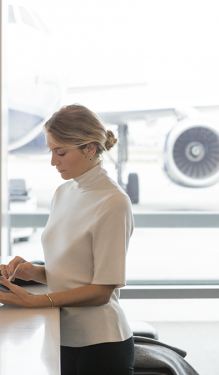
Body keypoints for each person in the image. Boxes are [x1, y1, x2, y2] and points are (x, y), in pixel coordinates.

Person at [0, 104, 135, 375]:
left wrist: (33, 300)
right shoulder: (63, 192)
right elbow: (75, 273)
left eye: (60, 152)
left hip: (100, 345)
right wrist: (33, 271)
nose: (53, 161)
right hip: (60, 335)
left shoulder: (113, 202)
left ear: (90, 149)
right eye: (51, 151)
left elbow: (101, 291)